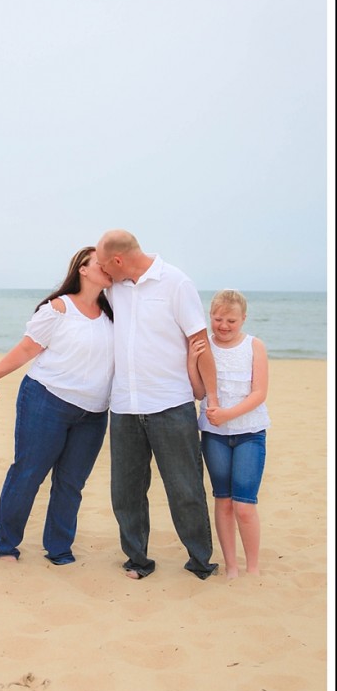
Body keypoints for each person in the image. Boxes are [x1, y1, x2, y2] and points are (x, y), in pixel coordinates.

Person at [0, 247, 114, 565]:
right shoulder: (58, 309)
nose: (107, 267)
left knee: (71, 483)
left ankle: (59, 548)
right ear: (82, 268)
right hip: (45, 401)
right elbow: (27, 348)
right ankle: (5, 545)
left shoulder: (113, 311)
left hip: (93, 413)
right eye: (100, 262)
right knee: (28, 473)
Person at [95, 229, 218, 580]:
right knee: (126, 491)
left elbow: (199, 341)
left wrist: (212, 398)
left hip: (170, 405)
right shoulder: (114, 288)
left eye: (105, 264)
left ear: (118, 260)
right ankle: (137, 559)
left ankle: (200, 561)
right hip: (124, 407)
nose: (103, 271)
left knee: (185, 488)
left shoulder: (176, 283)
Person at [187, 289, 270, 579]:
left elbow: (259, 392)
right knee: (222, 501)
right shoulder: (203, 345)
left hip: (249, 433)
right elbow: (198, 392)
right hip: (214, 436)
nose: (223, 325)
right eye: (218, 318)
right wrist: (191, 362)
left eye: (231, 321)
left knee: (244, 505)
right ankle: (232, 567)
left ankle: (253, 568)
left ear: (243, 319)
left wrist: (227, 414)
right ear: (210, 316)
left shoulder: (254, 346)